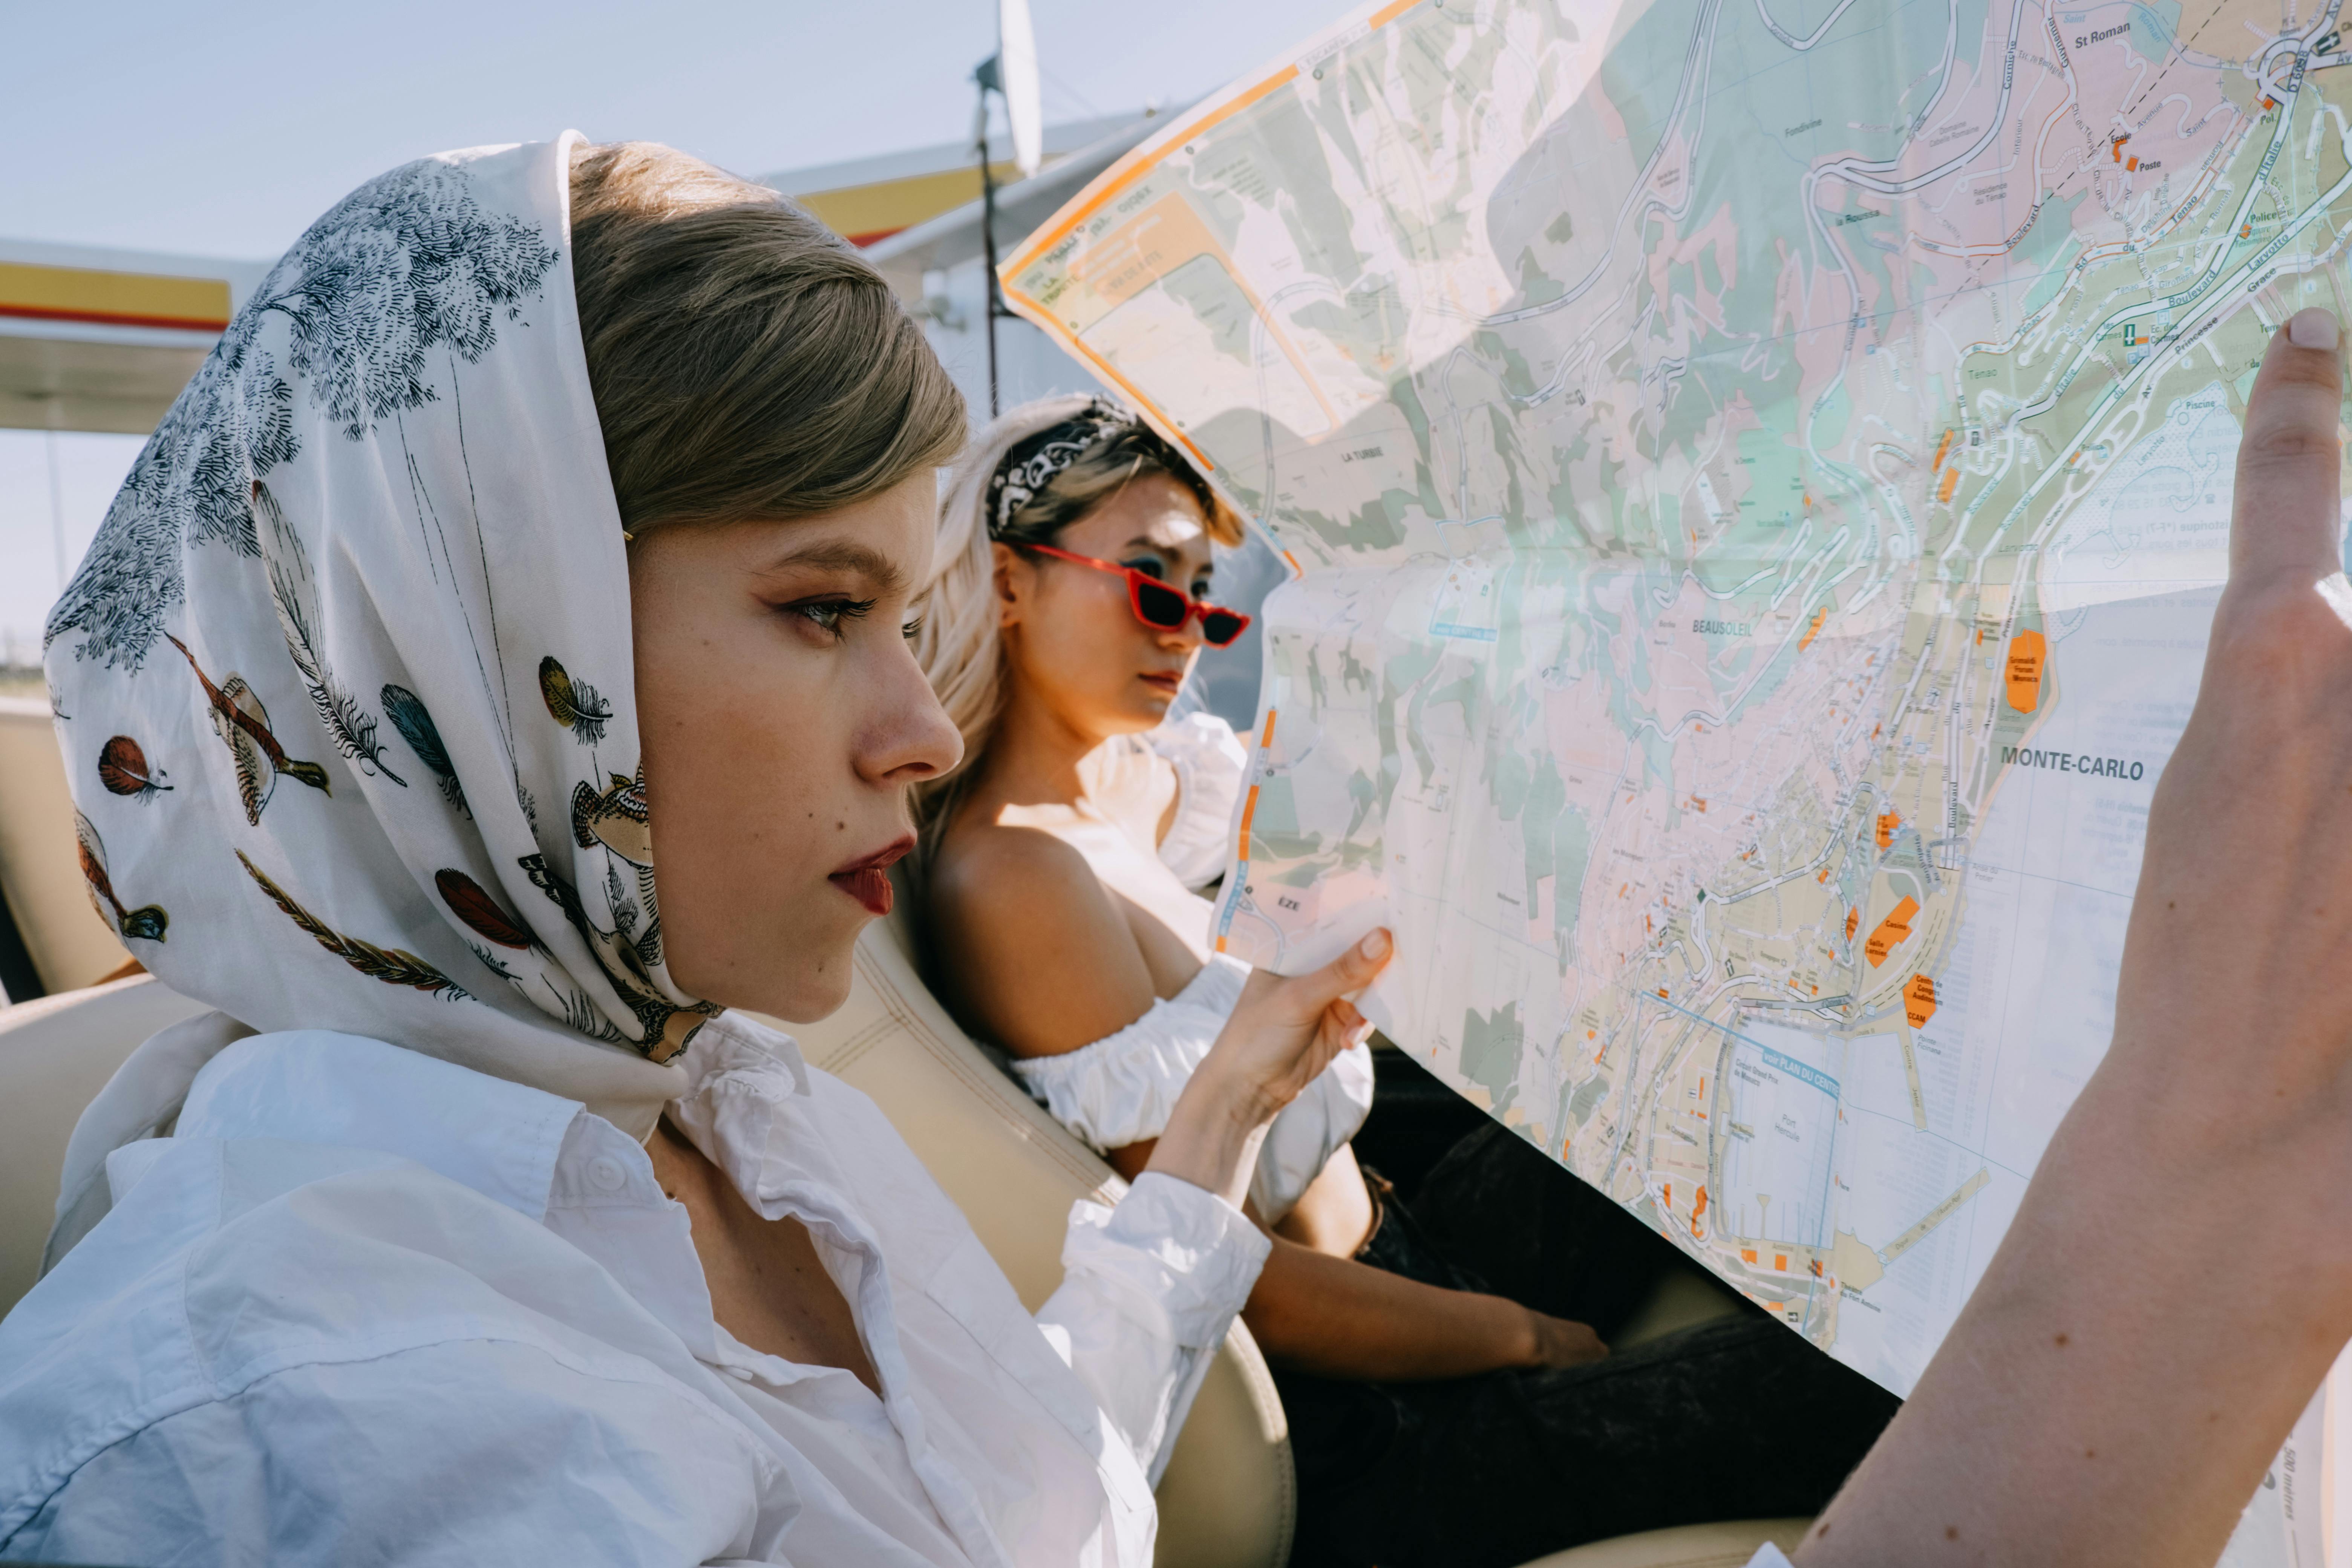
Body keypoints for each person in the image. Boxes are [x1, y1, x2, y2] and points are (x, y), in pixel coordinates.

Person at [0, 137, 1389, 1566]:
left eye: (907, 624)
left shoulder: (723, 1102)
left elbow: (1020, 1506)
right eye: (821, 608)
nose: (926, 733)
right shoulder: (316, 1425)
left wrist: (1221, 1111)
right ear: (464, 646)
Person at [912, 397, 1901, 1566]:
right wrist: (1524, 1337)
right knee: (1872, 1393)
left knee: (1709, 1043)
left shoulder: (1146, 782)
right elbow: (1240, 1283)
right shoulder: (1016, 877)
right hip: (1372, 1425)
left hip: (1405, 1240)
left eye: (1205, 591)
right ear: (1009, 580)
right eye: (1149, 580)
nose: (1187, 628)